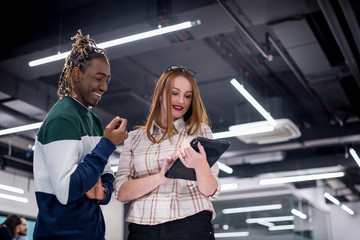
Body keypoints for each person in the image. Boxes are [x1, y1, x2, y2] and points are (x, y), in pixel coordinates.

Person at [33, 30, 128, 240]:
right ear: (77, 74)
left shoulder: (92, 119)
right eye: (98, 78)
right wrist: (107, 145)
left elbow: (106, 173)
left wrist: (102, 190)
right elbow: (67, 191)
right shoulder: (62, 119)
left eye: (107, 80)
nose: (104, 87)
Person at [114, 65, 220, 240]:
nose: (181, 101)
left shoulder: (199, 131)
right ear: (161, 94)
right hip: (143, 229)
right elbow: (121, 193)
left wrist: (201, 167)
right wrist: (162, 176)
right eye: (175, 93)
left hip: (191, 224)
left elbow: (210, 191)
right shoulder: (134, 138)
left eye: (188, 96)